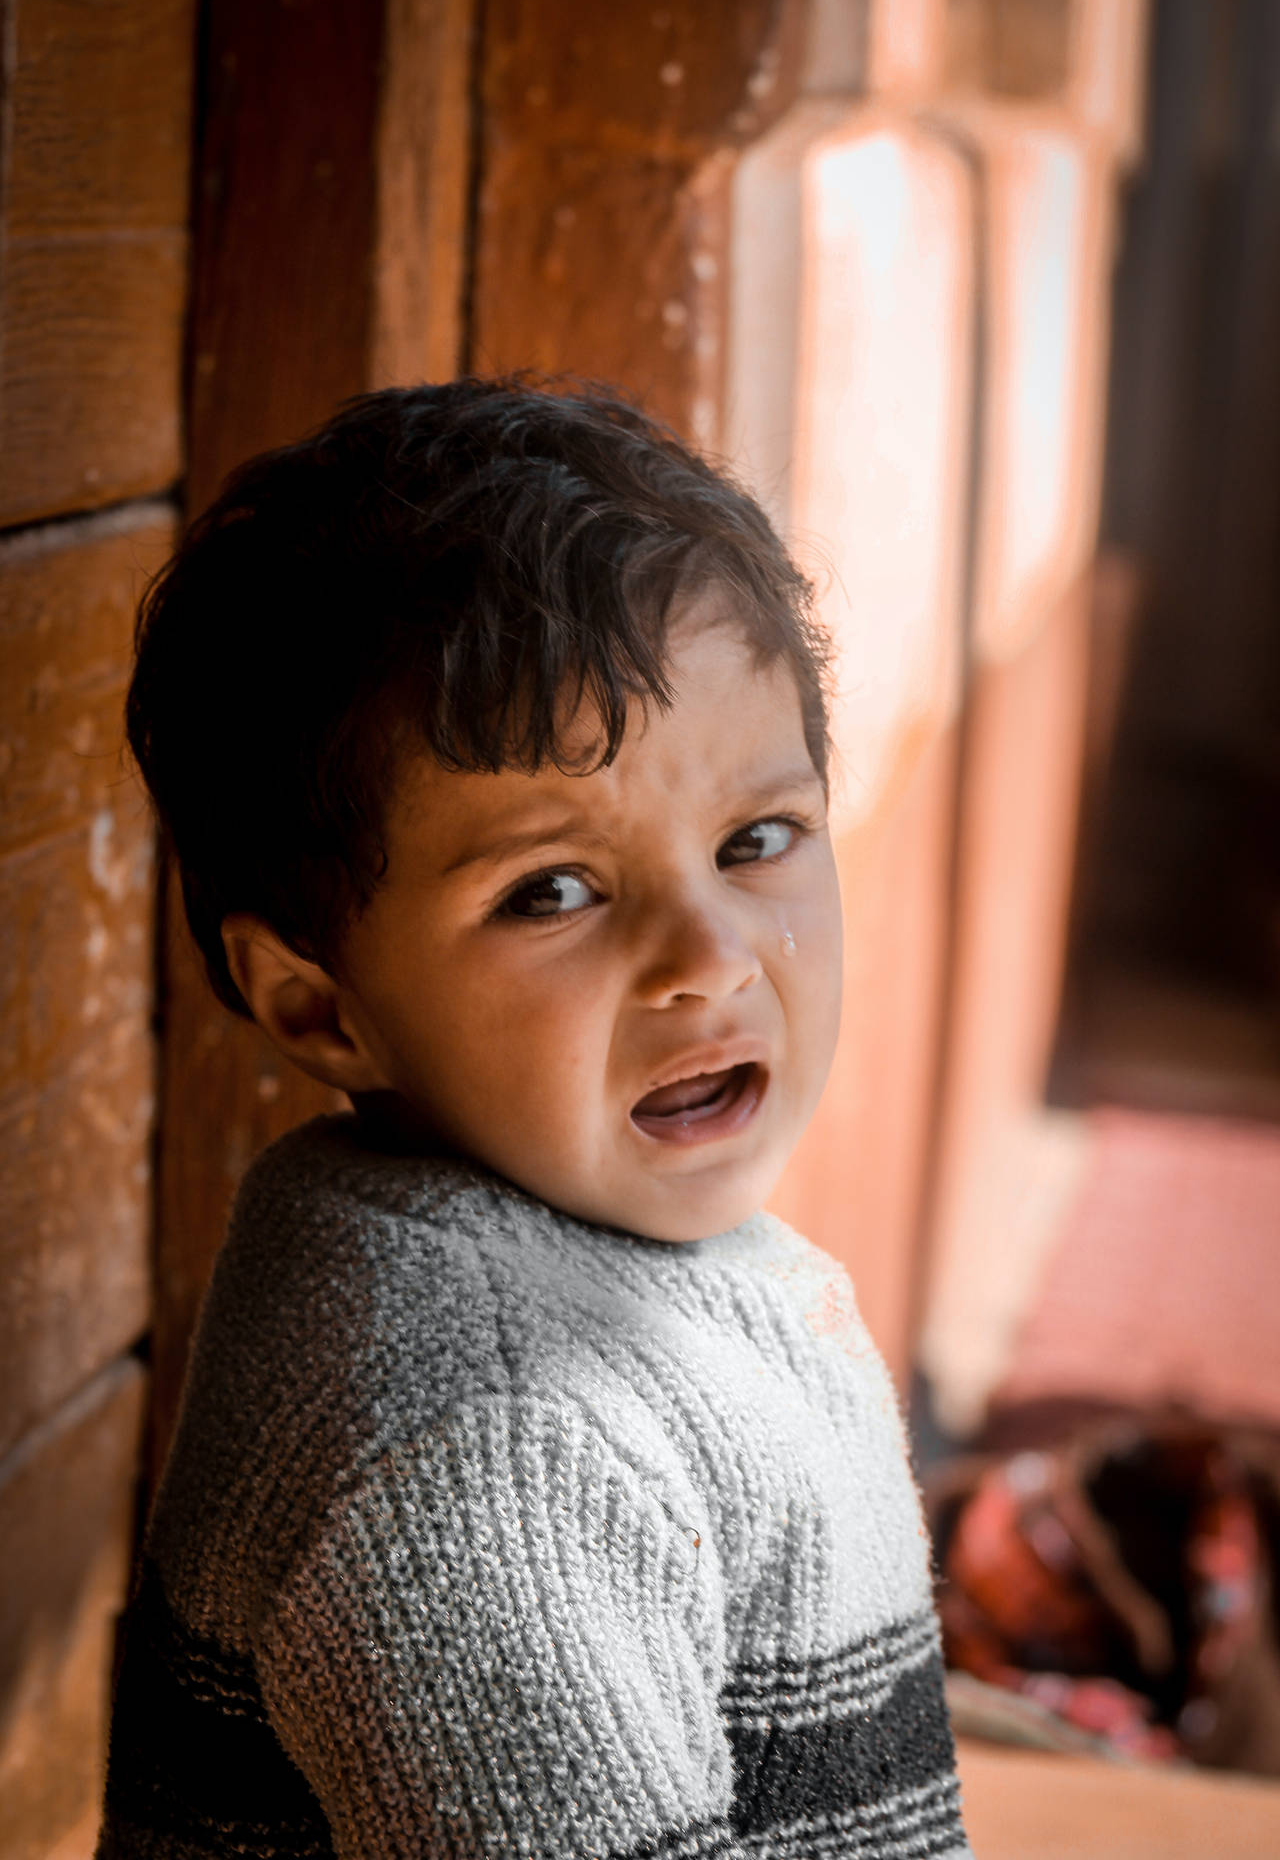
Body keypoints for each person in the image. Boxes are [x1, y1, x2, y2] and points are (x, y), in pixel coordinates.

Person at [97, 378, 972, 1858]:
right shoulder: (484, 1471)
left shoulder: (566, 1247)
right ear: (319, 1007)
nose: (710, 958)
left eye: (757, 840)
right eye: (550, 892)